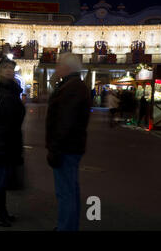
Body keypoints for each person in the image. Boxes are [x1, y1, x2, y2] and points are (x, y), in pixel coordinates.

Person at [45, 53, 91, 231]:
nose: (56, 67)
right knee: (70, 189)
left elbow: (65, 122)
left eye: (59, 65)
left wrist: (54, 149)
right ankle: (69, 225)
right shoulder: (73, 86)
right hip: (72, 146)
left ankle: (66, 227)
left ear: (67, 68)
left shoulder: (71, 88)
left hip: (66, 148)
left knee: (65, 192)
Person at [0, 57, 26, 227]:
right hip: (0, 138)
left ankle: (1, 210)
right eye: (6, 68)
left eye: (11, 68)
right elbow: (1, 113)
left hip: (10, 137)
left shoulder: (12, 89)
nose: (9, 70)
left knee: (3, 176)